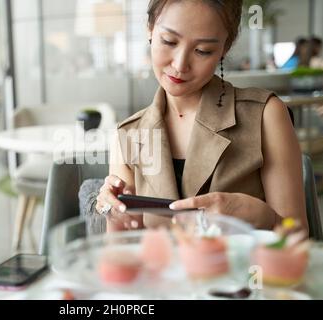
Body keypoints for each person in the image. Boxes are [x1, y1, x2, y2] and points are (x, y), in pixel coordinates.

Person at [95, 0, 308, 232]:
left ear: (224, 48)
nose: (180, 64)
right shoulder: (128, 134)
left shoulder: (265, 115)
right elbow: (122, 255)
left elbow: (297, 237)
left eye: (203, 51)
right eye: (169, 41)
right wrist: (113, 213)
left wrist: (264, 217)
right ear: (150, 29)